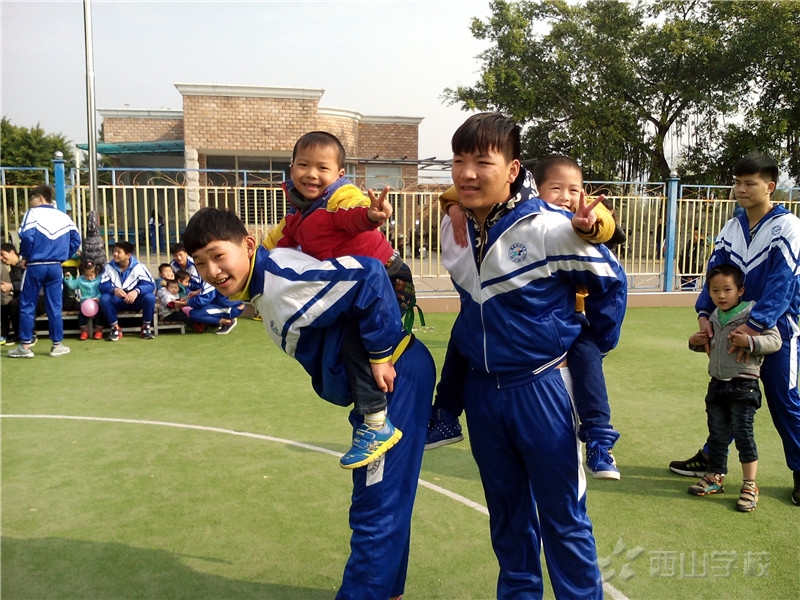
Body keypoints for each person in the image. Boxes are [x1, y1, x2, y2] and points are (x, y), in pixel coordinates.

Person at [182, 206, 434, 600]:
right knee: (386, 499)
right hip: (391, 381)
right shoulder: (263, 285)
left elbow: (368, 276)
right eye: (200, 263)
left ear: (248, 246)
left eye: (218, 255)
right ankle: (388, 592)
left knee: (375, 505)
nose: (211, 270)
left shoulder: (279, 281)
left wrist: (382, 354)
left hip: (395, 379)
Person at [438, 113, 627, 598]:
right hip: (482, 394)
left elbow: (611, 283)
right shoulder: (454, 227)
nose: (468, 173)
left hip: (542, 389)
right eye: (459, 161)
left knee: (563, 516)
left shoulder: (549, 228)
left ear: (513, 168)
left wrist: (587, 344)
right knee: (506, 518)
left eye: (483, 161)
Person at [428, 154, 625, 479]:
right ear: (534, 190)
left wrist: (588, 227)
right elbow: (462, 192)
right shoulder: (524, 219)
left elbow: (605, 225)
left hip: (571, 323)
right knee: (462, 339)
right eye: (556, 188)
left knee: (589, 362)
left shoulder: (579, 216)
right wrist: (452, 206)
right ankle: (446, 414)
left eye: (574, 190)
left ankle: (599, 439)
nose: (566, 196)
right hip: (503, 328)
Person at [264, 130, 416, 468]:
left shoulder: (338, 198)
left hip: (388, 280)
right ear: (291, 169)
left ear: (339, 175)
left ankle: (377, 423)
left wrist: (371, 215)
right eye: (303, 165)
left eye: (322, 168)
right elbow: (275, 243)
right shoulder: (300, 215)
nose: (312, 174)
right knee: (333, 335)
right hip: (358, 289)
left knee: (354, 343)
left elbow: (352, 213)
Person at [669, 152, 800, 506]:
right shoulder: (732, 227)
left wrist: (755, 330)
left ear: (770, 187)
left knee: (784, 400)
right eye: (737, 182)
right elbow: (715, 276)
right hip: (730, 331)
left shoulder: (787, 226)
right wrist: (703, 315)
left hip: (776, 331)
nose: (740, 189)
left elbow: (782, 284)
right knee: (727, 396)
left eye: (749, 183)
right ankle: (712, 459)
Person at [686, 264, 780, 511]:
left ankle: (750, 484)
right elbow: (712, 347)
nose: (721, 295)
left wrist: (749, 341)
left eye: (727, 289)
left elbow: (775, 341)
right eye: (715, 290)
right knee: (716, 435)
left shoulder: (752, 314)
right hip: (717, 386)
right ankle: (715, 476)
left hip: (744, 386)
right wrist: (693, 342)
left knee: (743, 434)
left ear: (741, 291)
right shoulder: (714, 316)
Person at [7, 185, 81, 358]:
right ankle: (57, 345)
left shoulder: (32, 214)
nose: (30, 203)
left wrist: (25, 256)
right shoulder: (63, 216)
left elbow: (26, 237)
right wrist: (63, 256)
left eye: (32, 198)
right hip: (56, 266)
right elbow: (76, 239)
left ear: (40, 198)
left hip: (35, 265)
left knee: (27, 304)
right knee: (55, 306)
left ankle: (25, 347)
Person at [99, 240, 157, 341]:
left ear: (128, 255)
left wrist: (137, 291)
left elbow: (150, 285)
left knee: (150, 297)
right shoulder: (108, 267)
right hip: (118, 300)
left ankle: (146, 328)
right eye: (114, 251)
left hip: (136, 300)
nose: (115, 254)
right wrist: (114, 290)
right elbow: (102, 285)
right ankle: (115, 328)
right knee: (104, 299)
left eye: (118, 252)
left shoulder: (139, 267)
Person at [0, 243, 43, 344]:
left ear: (12, 252)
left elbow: (31, 282)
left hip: (40, 296)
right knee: (10, 304)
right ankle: (17, 334)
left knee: (20, 303)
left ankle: (30, 335)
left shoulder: (27, 263)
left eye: (2, 254)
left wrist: (11, 286)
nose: (1, 258)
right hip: (24, 298)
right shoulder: (11, 273)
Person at [64, 259, 105, 340]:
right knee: (81, 316)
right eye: (87, 276)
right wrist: (69, 279)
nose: (89, 278)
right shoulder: (81, 280)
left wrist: (98, 298)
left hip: (97, 302)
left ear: (96, 273)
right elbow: (73, 285)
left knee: (100, 315)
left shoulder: (99, 279)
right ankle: (84, 331)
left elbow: (102, 290)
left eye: (91, 276)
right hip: (84, 304)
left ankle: (99, 331)